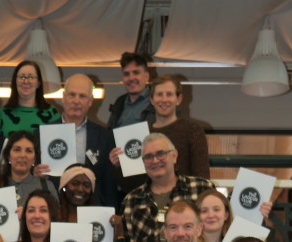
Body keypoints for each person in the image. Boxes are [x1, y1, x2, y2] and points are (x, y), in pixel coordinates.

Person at [120, 133, 213, 242]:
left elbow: (217, 235)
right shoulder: (131, 201)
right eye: (148, 157)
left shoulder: (202, 189)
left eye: (161, 153)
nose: (155, 160)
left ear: (174, 156)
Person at [56, 74, 118, 207]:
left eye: (82, 96)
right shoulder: (42, 133)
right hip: (56, 208)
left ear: (90, 101)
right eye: (71, 94)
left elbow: (108, 183)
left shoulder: (104, 137)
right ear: (63, 98)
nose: (76, 101)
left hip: (92, 210)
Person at [106, 52, 155, 205]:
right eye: (126, 74)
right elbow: (111, 135)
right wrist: (113, 154)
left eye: (136, 72)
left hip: (149, 176)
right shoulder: (119, 103)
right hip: (122, 178)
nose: (131, 78)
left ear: (146, 76)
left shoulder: (157, 101)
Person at [148, 75, 210, 180]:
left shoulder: (193, 131)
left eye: (169, 94)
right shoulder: (142, 134)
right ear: (152, 100)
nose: (164, 99)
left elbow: (202, 177)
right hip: (149, 195)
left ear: (178, 99)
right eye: (159, 94)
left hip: (185, 195)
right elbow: (133, 182)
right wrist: (118, 165)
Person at [0, 61, 61, 136]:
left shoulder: (52, 113)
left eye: (31, 77)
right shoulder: (1, 114)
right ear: (15, 81)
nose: (26, 81)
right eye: (22, 77)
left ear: (38, 83)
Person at [0, 130, 59, 207]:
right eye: (17, 150)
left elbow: (55, 217)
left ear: (35, 158)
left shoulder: (46, 187)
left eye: (29, 151)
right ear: (8, 156)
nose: (23, 155)